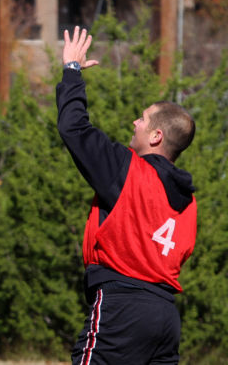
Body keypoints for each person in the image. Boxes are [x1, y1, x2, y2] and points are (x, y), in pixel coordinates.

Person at [57, 26, 197, 364]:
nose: (135, 122)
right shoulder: (189, 201)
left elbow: (73, 128)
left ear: (156, 136)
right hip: (165, 318)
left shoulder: (128, 170)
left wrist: (72, 70)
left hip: (122, 309)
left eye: (143, 118)